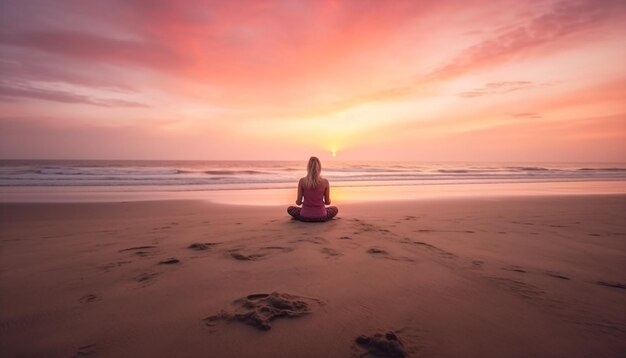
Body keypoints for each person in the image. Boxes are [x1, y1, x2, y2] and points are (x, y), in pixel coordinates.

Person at [287, 156, 338, 222]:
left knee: (290, 209)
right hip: (321, 216)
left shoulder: (302, 181)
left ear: (308, 167)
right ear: (319, 168)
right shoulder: (325, 182)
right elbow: (327, 203)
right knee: (334, 209)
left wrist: (300, 202)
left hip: (305, 216)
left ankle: (307, 215)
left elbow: (298, 203)